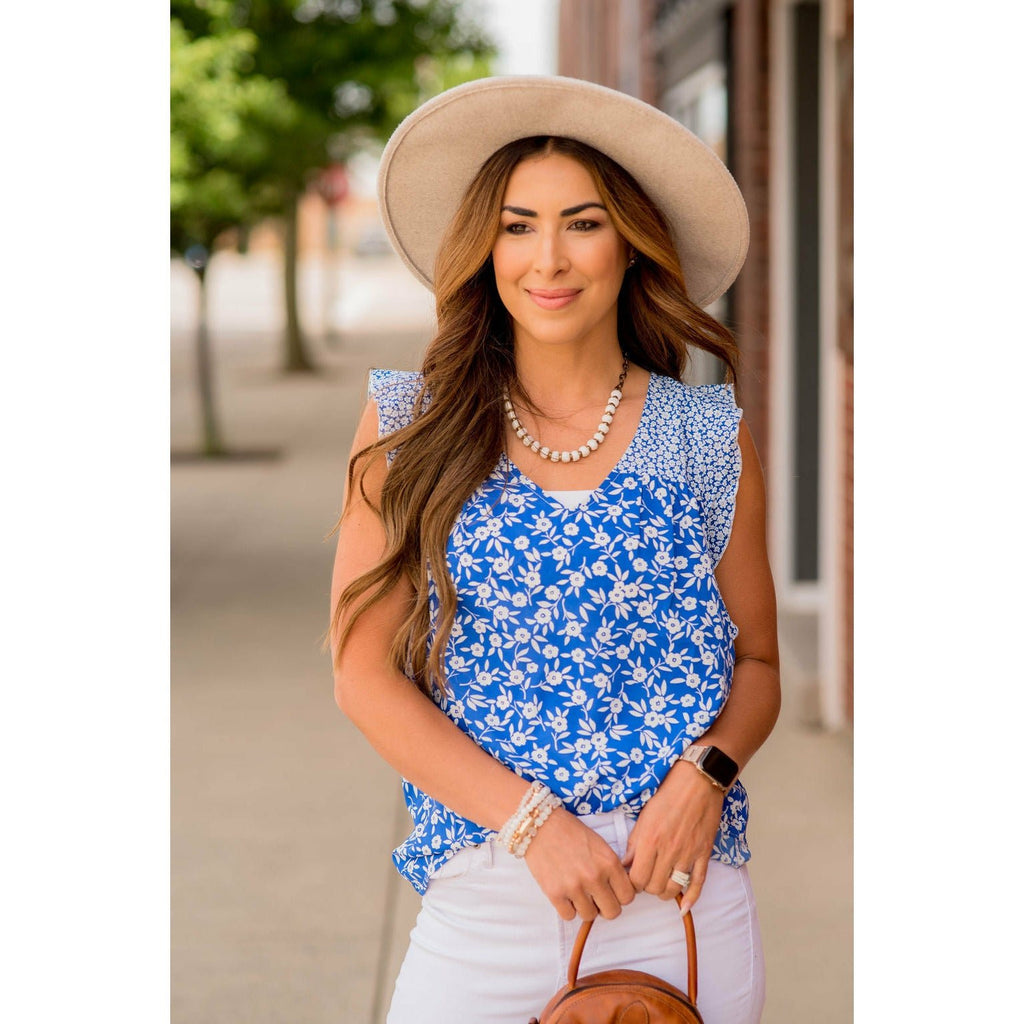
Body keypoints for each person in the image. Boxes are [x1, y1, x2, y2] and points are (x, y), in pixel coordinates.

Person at [327, 76, 781, 1024]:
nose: (549, 258)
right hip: (490, 890)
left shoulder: (704, 433)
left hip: (680, 899)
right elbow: (363, 675)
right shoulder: (410, 424)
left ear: (630, 243)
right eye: (517, 225)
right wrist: (532, 826)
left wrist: (707, 778)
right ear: (483, 249)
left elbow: (759, 663)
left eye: (582, 223)